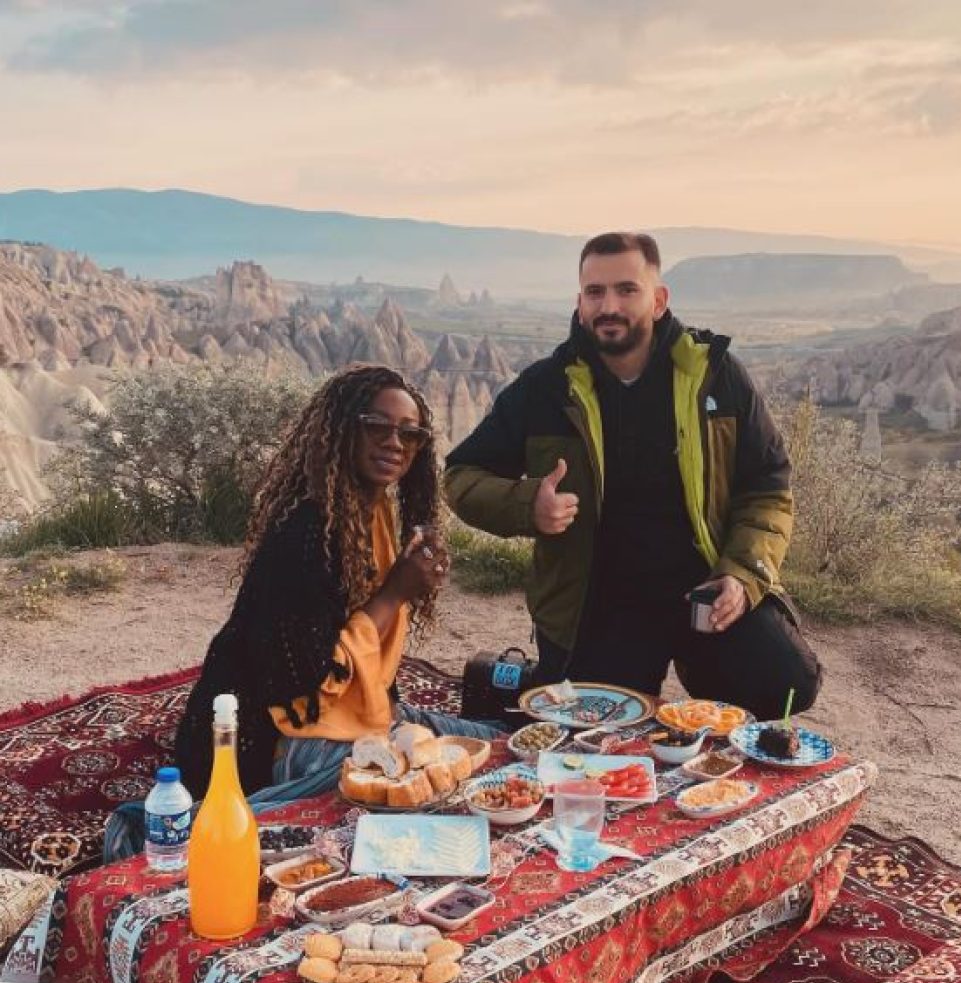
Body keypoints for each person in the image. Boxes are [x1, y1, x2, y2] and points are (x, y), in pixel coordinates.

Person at [105, 365, 501, 862]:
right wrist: (396, 591)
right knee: (418, 805)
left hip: (356, 713)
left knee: (494, 751)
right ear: (340, 430)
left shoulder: (375, 514)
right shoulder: (305, 532)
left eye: (411, 433)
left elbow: (367, 659)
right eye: (376, 426)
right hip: (282, 733)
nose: (395, 443)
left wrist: (407, 581)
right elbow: (304, 687)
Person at [445, 232, 821, 719]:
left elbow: (768, 486)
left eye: (627, 290)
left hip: (701, 589)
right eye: (595, 292)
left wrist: (740, 576)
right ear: (580, 303)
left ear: (658, 300)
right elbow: (460, 475)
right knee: (594, 729)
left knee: (787, 682)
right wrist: (527, 504)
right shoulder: (545, 388)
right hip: (599, 603)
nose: (609, 306)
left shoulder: (717, 377)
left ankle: (704, 692)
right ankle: (553, 678)